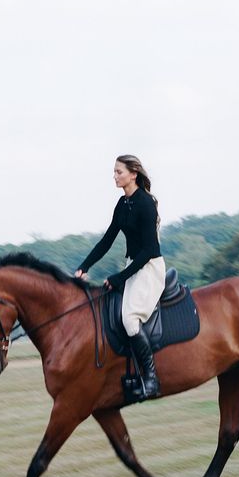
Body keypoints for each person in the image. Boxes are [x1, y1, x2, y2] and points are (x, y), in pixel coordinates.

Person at [75, 155, 166, 399]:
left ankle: (151, 379)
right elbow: (107, 240)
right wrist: (84, 266)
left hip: (149, 268)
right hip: (132, 265)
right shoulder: (122, 203)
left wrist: (119, 277)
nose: (115, 176)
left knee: (129, 319)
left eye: (119, 172)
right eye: (114, 172)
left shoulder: (146, 203)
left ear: (133, 174)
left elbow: (148, 250)